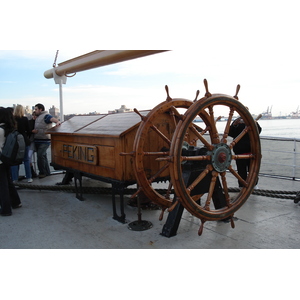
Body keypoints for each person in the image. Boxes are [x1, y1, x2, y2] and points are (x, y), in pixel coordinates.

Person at [229, 112, 262, 189]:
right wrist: (234, 125)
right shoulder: (236, 122)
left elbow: (258, 131)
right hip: (240, 152)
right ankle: (241, 185)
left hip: (251, 150)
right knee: (241, 170)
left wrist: (255, 123)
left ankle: (254, 184)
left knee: (252, 170)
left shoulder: (252, 121)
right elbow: (230, 133)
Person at [0, 107, 22, 216]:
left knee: (2, 185)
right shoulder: (9, 128)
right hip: (6, 159)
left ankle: (6, 209)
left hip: (0, 160)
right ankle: (16, 202)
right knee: (8, 182)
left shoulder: (0, 130)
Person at [32, 103, 61, 178]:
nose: (35, 110)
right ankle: (47, 172)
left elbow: (52, 119)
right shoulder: (37, 117)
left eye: (36, 109)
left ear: (40, 109)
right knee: (43, 156)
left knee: (40, 156)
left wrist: (57, 122)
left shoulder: (46, 116)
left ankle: (42, 172)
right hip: (38, 139)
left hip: (44, 140)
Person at [10, 104, 32, 183]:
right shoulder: (25, 119)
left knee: (14, 160)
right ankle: (29, 177)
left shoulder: (12, 119)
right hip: (24, 140)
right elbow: (29, 130)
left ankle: (14, 179)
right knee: (26, 160)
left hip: (14, 141)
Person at [28, 111, 37, 178]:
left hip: (33, 141)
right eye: (33, 115)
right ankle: (32, 172)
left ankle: (31, 172)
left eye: (35, 115)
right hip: (31, 141)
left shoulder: (31, 122)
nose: (34, 117)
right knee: (29, 157)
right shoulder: (30, 122)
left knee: (29, 157)